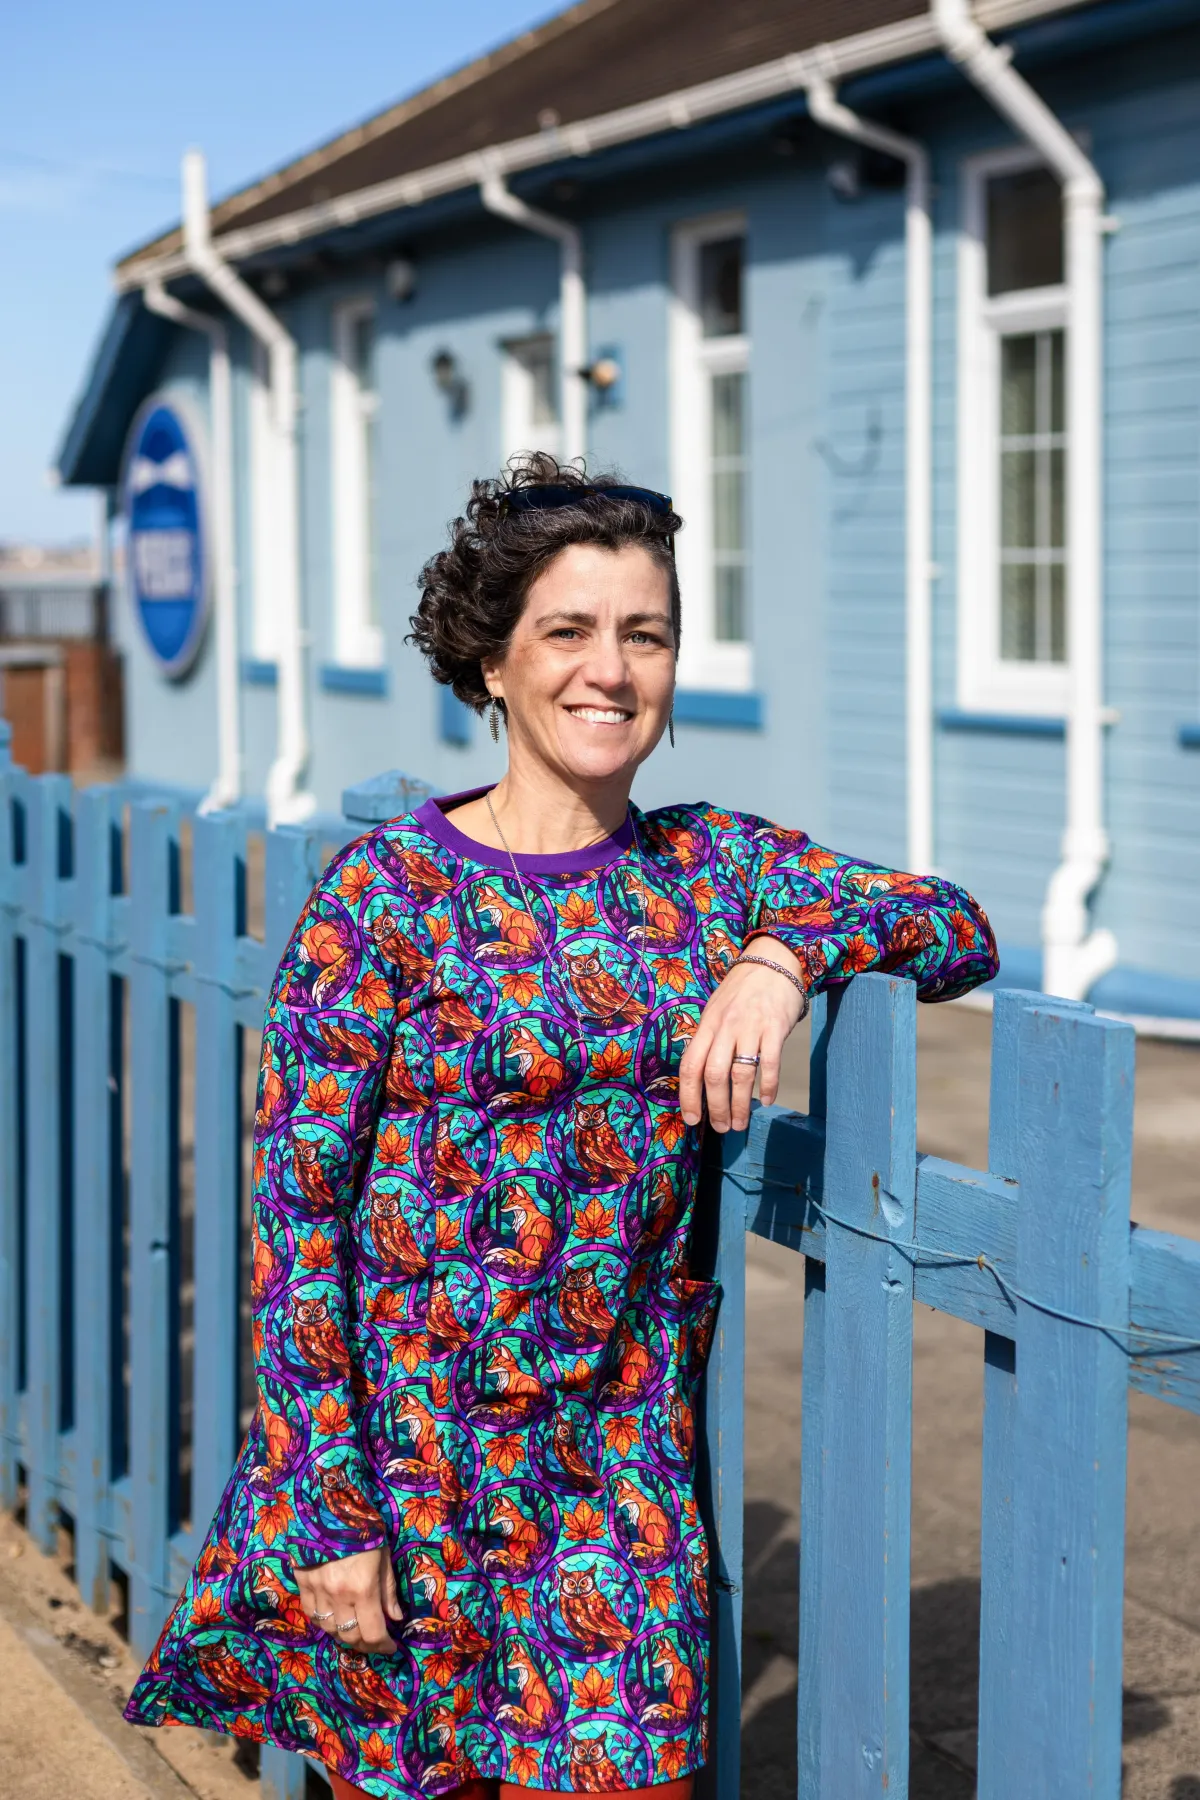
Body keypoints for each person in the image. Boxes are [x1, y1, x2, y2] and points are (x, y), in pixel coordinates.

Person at [124, 456, 998, 1797]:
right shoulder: (388, 895)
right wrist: (329, 1505)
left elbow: (953, 927)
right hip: (413, 1474)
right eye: (569, 631)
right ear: (491, 664)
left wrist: (779, 955)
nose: (613, 669)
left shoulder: (711, 870)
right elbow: (295, 1221)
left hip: (612, 1474)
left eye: (645, 634)